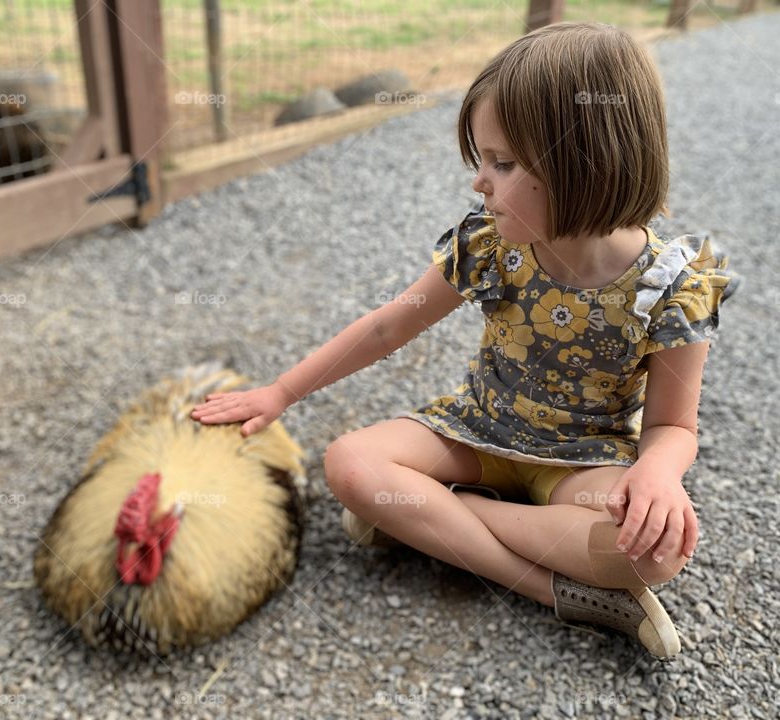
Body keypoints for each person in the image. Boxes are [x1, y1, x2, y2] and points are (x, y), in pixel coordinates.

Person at [191, 21, 740, 660]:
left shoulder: (675, 283)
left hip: (582, 461)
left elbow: (675, 427)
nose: (479, 182)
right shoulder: (490, 246)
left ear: (588, 163)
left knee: (656, 552)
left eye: (502, 164)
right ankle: (548, 589)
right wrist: (280, 392)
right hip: (477, 433)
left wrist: (656, 473)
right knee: (350, 463)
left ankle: (441, 517)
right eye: (481, 160)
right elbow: (390, 324)